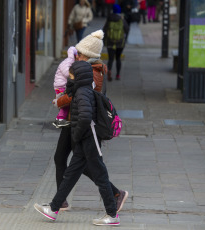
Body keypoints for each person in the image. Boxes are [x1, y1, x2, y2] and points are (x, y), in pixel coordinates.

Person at [34, 61, 120, 226]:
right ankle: (53, 209)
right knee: (71, 174)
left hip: (89, 138)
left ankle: (112, 215)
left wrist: (77, 134)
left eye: (72, 74)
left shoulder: (81, 93)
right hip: (85, 139)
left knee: (100, 175)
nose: (70, 77)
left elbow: (86, 117)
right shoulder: (82, 90)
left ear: (79, 76)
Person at [52, 30, 128, 212]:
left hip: (82, 123)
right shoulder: (86, 69)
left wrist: (59, 100)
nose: (76, 55)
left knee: (85, 164)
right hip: (75, 119)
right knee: (67, 160)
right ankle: (59, 202)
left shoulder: (93, 73)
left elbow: (79, 95)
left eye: (80, 53)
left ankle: (115, 195)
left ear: (88, 55)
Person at [52, 46, 78, 128]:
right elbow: (67, 73)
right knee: (65, 103)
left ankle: (58, 119)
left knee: (65, 103)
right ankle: (60, 120)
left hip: (61, 85)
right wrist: (75, 75)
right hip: (61, 86)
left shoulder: (70, 61)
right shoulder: (68, 61)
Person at [103, 4, 129, 81]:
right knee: (118, 58)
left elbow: (104, 30)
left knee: (110, 59)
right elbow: (127, 29)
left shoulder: (109, 19)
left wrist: (104, 40)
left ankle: (109, 71)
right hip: (120, 43)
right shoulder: (122, 20)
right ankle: (118, 75)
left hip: (110, 43)